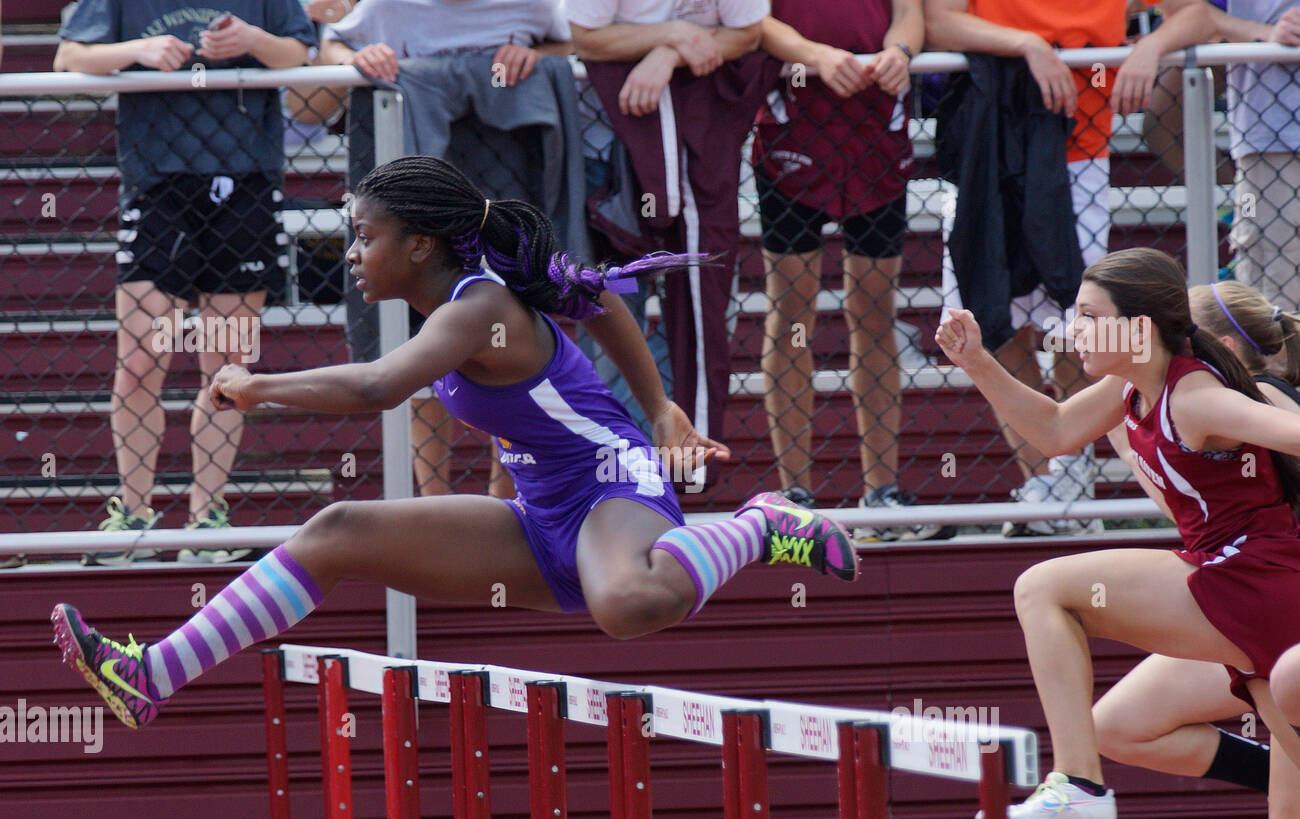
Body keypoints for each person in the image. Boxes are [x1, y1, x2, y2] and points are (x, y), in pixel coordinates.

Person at [51, 155, 860, 730]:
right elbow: (589, 308)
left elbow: (377, 387)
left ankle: (762, 523)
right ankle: (151, 673)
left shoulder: (477, 309)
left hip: (612, 491)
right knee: (337, 531)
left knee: (627, 605)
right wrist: (512, 470)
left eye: (364, 236)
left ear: (420, 246)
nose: (352, 255)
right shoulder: (459, 314)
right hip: (542, 514)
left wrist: (260, 387)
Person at [935, 247, 1300, 819]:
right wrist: (978, 362)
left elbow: (1288, 429)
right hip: (1236, 595)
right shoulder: (1132, 385)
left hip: (1255, 583)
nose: (1071, 329)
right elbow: (1050, 429)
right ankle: (1079, 781)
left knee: (1044, 587)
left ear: (1137, 329)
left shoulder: (1197, 396)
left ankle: (1078, 784)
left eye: (1088, 316)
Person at [926, 0, 1216, 536]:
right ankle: (1045, 483)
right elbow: (935, 20)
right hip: (988, 142)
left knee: (1076, 321)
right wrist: (1027, 44)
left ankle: (1072, 481)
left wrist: (1150, 43)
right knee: (987, 314)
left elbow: (1196, 12)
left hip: (1078, 151)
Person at [54, 2, 316, 564]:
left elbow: (299, 52)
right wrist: (139, 52)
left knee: (225, 364)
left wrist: (252, 39)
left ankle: (207, 517)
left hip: (245, 180)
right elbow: (69, 56)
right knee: (143, 358)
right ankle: (133, 513)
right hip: (157, 185)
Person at [316, 0, 578, 499]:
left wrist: (542, 56)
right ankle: (436, 500)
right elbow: (331, 41)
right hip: (420, 176)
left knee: (512, 329)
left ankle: (509, 500)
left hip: (506, 162)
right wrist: (357, 55)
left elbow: (577, 40)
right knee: (420, 333)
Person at [1094, 281, 1300, 798]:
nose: (1169, 348)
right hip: (1252, 598)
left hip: (1278, 599)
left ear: (1223, 350)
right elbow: (1199, 522)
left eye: (1183, 336)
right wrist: (1132, 453)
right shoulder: (1182, 410)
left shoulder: (1252, 398)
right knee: (1118, 724)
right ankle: (1279, 762)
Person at [750, 1, 948, 541]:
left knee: (875, 308)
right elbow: (752, 20)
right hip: (795, 131)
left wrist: (899, 52)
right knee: (792, 307)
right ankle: (794, 495)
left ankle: (881, 491)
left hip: (874, 133)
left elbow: (910, 13)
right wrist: (815, 56)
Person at [569, 0, 773, 485]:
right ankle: (616, 473)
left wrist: (668, 52)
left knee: (702, 305)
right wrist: (676, 33)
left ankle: (680, 469)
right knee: (613, 315)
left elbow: (747, 33)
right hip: (607, 157)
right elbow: (583, 35)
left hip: (699, 150)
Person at [1204, 2, 1300, 309]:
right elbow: (1185, 11)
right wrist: (1265, 33)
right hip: (1274, 142)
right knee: (1273, 304)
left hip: (1271, 138)